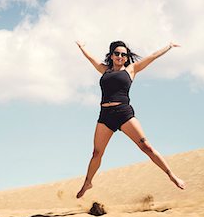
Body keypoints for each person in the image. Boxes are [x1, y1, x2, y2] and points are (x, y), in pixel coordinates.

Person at [75, 40, 186, 199]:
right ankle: (88, 182)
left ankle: (171, 175)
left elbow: (152, 56)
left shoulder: (131, 70)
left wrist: (169, 46)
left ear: (127, 58)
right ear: (112, 56)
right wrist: (82, 47)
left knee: (146, 146)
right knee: (96, 153)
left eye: (123, 54)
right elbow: (90, 58)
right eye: (117, 54)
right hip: (105, 115)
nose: (120, 56)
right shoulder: (104, 70)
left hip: (124, 113)